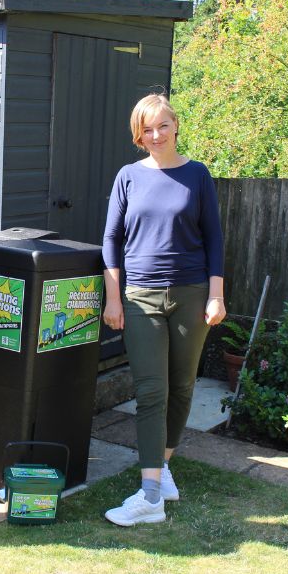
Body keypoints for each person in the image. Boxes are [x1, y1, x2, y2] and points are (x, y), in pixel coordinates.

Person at [101, 94, 227, 526]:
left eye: (162, 126)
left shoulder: (197, 175)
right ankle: (151, 494)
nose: (155, 136)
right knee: (152, 391)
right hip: (139, 296)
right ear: (139, 135)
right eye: (146, 129)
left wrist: (216, 295)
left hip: (192, 294)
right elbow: (111, 241)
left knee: (182, 387)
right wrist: (113, 297)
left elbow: (214, 240)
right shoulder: (128, 177)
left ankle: (163, 468)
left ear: (175, 125)